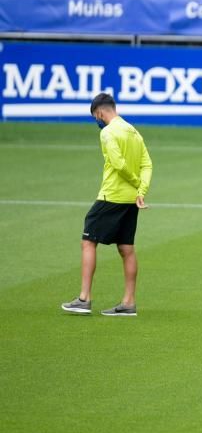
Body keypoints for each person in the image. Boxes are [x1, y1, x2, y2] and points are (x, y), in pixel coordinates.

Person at [62, 93, 152, 317]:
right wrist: (140, 191)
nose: (97, 121)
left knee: (88, 241)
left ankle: (84, 298)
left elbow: (118, 163)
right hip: (131, 200)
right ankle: (128, 303)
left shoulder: (108, 132)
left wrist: (134, 182)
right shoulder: (133, 131)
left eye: (96, 117)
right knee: (126, 248)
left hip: (111, 196)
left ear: (100, 112)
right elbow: (147, 164)